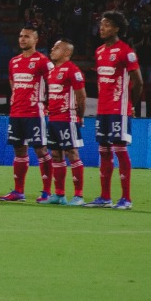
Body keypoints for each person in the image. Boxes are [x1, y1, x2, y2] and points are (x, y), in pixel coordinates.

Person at [88, 11, 143, 209]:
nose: (102, 28)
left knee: (120, 150)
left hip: (119, 109)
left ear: (117, 28)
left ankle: (126, 198)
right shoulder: (99, 51)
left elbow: (138, 82)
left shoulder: (125, 51)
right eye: (101, 25)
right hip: (102, 109)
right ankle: (105, 197)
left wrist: (131, 105)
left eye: (108, 25)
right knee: (103, 150)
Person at [0, 26, 53, 202]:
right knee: (19, 150)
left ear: (36, 40)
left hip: (35, 112)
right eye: (21, 36)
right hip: (16, 112)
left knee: (40, 149)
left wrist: (46, 105)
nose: (22, 39)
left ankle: (47, 192)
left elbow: (53, 84)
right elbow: (12, 82)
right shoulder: (14, 61)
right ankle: (18, 191)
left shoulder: (43, 61)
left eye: (27, 37)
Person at [44, 38, 88, 205]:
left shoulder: (72, 70)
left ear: (67, 53)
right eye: (53, 46)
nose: (52, 49)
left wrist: (80, 116)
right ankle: (59, 194)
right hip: (53, 118)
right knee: (55, 155)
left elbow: (81, 96)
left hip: (67, 118)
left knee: (72, 153)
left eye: (57, 48)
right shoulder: (52, 71)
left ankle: (78, 195)